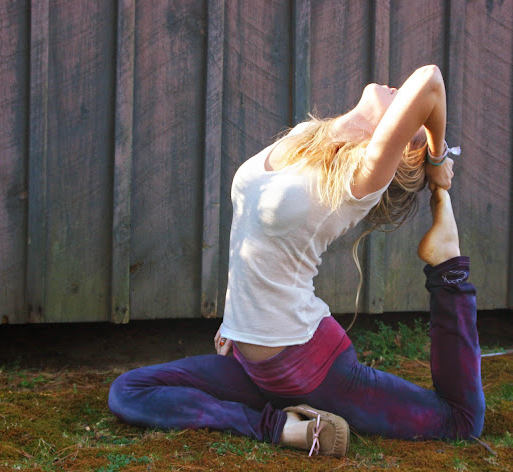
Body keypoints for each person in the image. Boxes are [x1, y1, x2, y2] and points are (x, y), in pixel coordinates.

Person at [108, 65, 485, 457]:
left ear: (401, 142)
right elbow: (252, 234)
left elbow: (430, 81)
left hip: (310, 367)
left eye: (411, 119)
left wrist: (436, 159)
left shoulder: (362, 176)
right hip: (252, 363)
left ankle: (448, 269)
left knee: (459, 420)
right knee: (128, 391)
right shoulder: (307, 135)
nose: (397, 87)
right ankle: (283, 426)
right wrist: (237, 321)